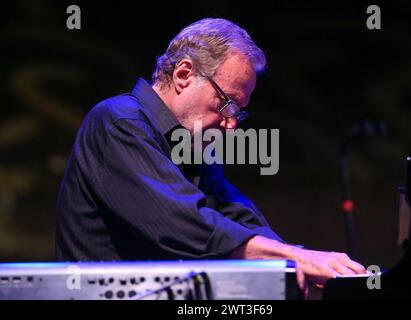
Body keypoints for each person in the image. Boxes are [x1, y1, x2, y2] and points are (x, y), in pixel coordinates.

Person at [55, 18, 366, 293]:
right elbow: (183, 224)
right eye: (226, 104)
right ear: (184, 74)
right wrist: (293, 259)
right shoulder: (118, 122)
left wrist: (298, 264)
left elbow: (234, 213)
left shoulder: (190, 143)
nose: (231, 126)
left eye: (238, 113)